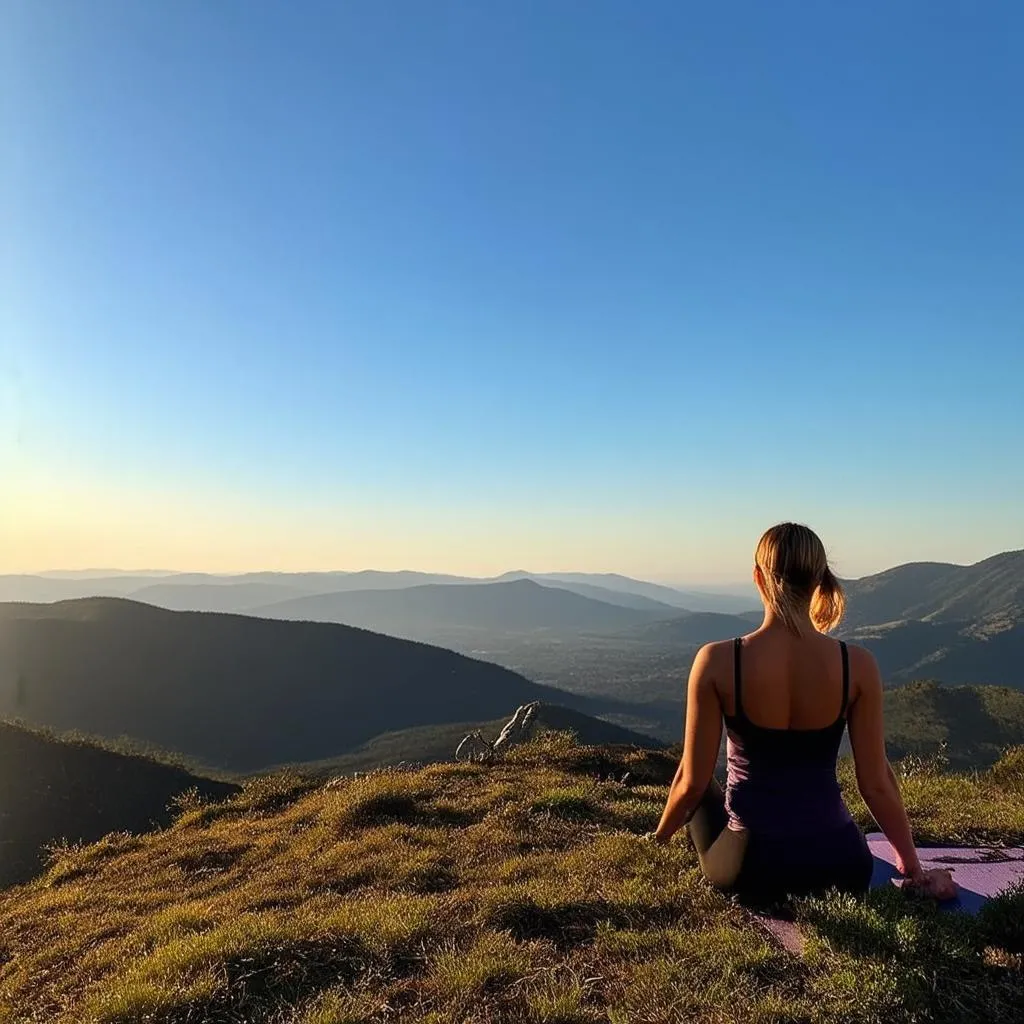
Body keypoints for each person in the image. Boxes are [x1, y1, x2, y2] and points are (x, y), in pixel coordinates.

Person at [652, 522, 955, 905]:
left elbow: (692, 782)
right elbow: (875, 782)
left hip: (751, 869)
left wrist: (655, 842)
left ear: (758, 578)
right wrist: (912, 866)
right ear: (820, 580)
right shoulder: (856, 665)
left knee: (696, 781)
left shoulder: (716, 661)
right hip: (842, 867)